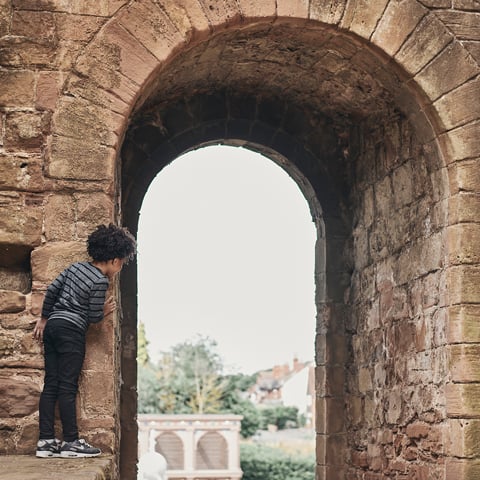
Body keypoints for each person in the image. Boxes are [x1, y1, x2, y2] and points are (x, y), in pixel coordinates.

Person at [33, 224, 136, 458]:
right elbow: (92, 316)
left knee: (51, 384)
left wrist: (44, 318)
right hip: (72, 332)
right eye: (121, 262)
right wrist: (104, 310)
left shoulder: (74, 268)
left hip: (53, 326)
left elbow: (51, 291)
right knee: (68, 386)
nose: (119, 268)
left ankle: (45, 442)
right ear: (113, 259)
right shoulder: (101, 282)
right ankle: (70, 442)